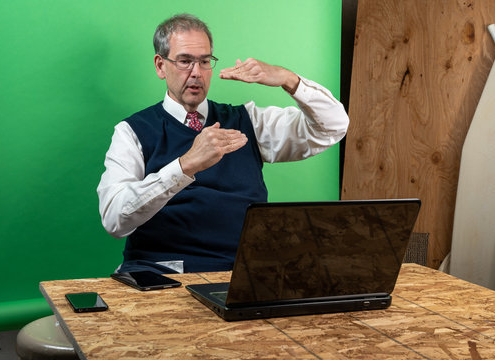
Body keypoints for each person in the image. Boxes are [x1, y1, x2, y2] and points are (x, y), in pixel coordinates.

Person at [97, 13, 349, 274]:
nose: (196, 73)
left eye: (204, 61)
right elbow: (115, 219)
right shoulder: (133, 132)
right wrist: (184, 166)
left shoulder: (248, 121)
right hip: (162, 273)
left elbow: (333, 126)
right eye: (185, 61)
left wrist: (289, 80)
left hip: (244, 273)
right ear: (161, 66)